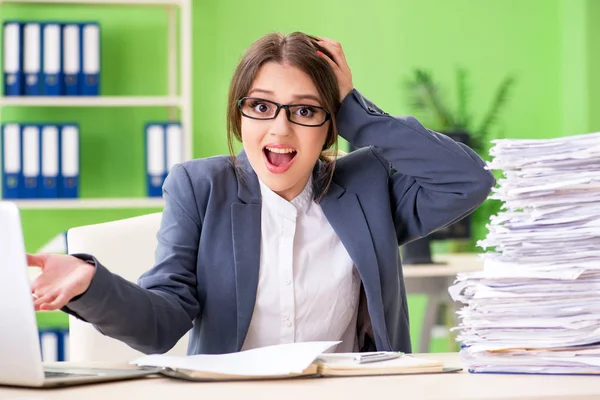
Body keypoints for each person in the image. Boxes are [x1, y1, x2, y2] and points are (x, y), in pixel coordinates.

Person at [26, 32, 495, 355]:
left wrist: (353, 110)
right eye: (261, 106)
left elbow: (468, 180)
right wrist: (90, 280)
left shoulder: (366, 187)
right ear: (240, 115)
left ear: (330, 127)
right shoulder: (200, 188)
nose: (280, 128)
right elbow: (160, 325)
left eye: (306, 110)